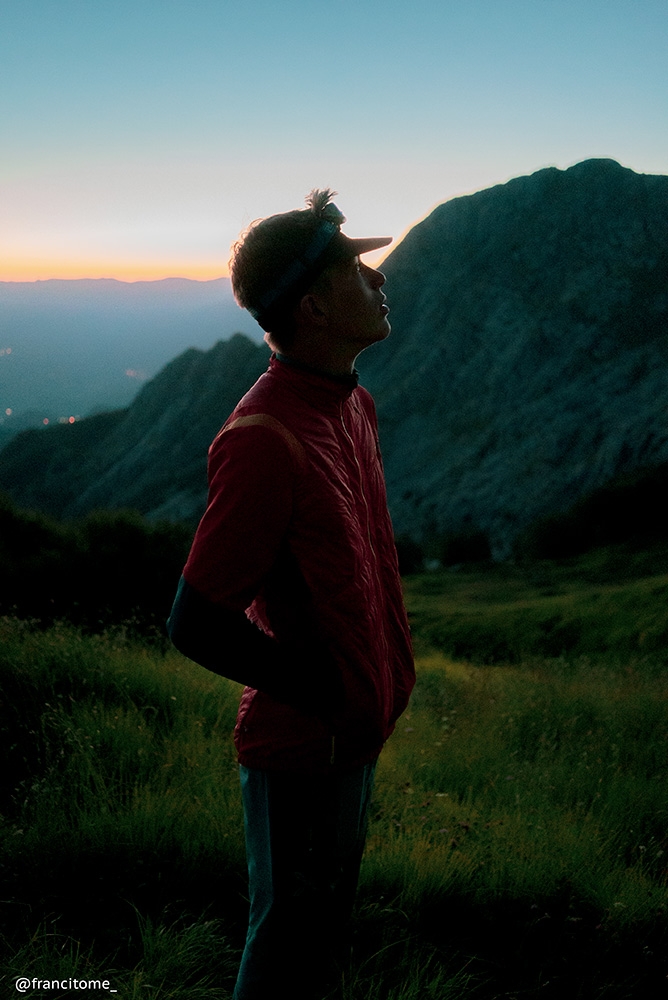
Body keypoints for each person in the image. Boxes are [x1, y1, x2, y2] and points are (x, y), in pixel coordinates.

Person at [167, 189, 415, 1000]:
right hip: (302, 751)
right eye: (356, 269)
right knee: (286, 947)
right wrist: (324, 691)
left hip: (351, 737)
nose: (380, 279)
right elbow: (196, 621)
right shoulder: (265, 439)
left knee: (321, 937)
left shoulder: (352, 407)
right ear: (312, 304)